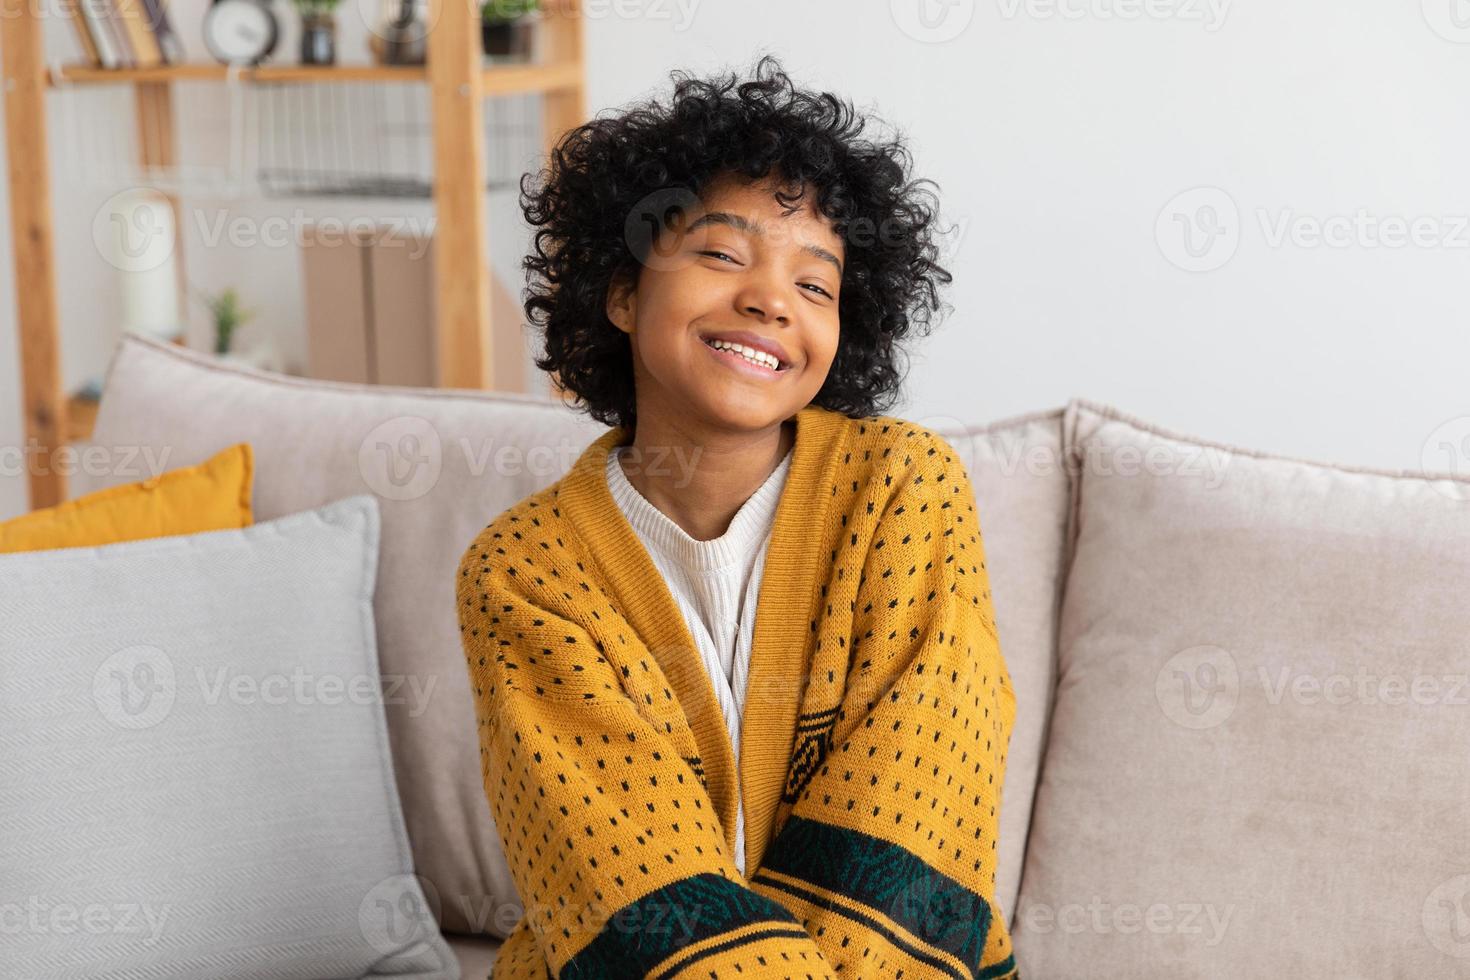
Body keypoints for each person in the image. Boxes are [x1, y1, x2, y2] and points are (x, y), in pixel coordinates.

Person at [456, 53, 1019, 979]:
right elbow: (614, 873)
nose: (769, 300)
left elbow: (924, 793)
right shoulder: (522, 571)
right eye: (721, 255)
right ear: (625, 290)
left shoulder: (904, 491)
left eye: (816, 285)